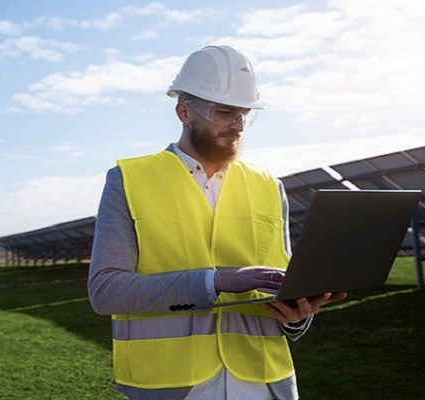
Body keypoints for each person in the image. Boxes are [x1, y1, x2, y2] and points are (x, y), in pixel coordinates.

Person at [87, 45, 346, 400]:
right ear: (184, 112)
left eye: (245, 114)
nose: (238, 125)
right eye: (225, 112)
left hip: (266, 383)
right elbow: (106, 291)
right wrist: (217, 281)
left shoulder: (269, 186)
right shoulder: (129, 179)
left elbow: (282, 281)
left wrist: (297, 313)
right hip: (171, 385)